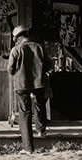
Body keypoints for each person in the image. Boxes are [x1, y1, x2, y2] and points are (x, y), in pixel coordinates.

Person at [7, 25, 51, 154]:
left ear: (19, 37)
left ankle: (28, 147)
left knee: (24, 113)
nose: (16, 41)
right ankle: (41, 131)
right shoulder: (40, 47)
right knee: (40, 106)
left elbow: (11, 69)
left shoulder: (16, 50)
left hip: (22, 84)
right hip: (39, 82)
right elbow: (48, 65)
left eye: (16, 39)